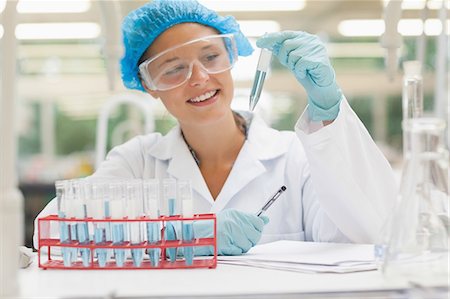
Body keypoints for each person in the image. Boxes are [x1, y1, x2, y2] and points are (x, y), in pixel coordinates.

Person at [34, 0, 397, 255]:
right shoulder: (138, 162)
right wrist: (184, 234)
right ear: (149, 85)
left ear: (231, 58)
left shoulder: (294, 155)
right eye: (173, 67)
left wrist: (330, 112)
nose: (200, 77)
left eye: (210, 57)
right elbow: (50, 230)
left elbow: (365, 236)